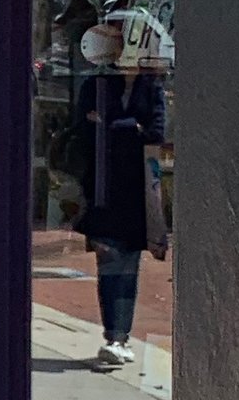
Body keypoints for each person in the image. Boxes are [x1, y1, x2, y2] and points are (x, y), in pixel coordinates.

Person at [68, 20, 168, 370]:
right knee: (109, 262)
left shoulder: (151, 87)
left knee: (128, 264)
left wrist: (110, 126)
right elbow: (83, 130)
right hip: (103, 186)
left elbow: (155, 132)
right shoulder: (95, 85)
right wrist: (128, 128)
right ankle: (114, 336)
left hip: (136, 189)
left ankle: (119, 336)